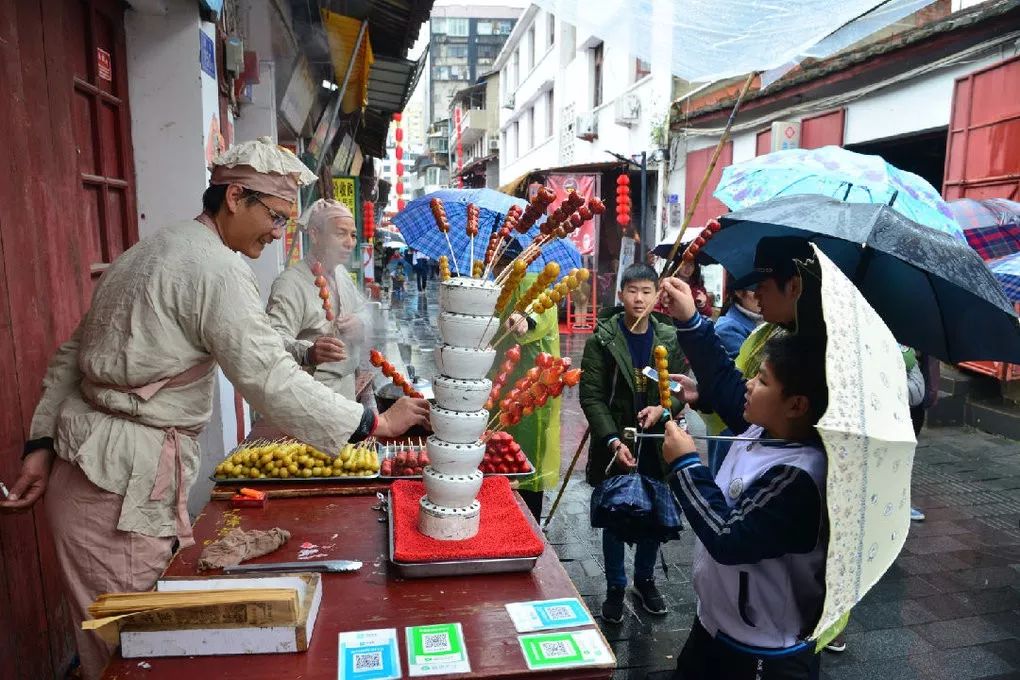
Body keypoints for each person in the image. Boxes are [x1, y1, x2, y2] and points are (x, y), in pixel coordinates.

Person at [0, 138, 429, 680]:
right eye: (273, 216)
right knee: (136, 653)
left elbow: (70, 357)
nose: (277, 232)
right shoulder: (216, 270)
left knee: (135, 641)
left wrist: (39, 448)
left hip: (90, 472)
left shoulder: (151, 248)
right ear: (233, 197)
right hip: (119, 489)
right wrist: (372, 422)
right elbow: (267, 376)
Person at [658, 275, 829, 680]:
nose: (750, 384)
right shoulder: (763, 427)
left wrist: (685, 464)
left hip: (763, 656)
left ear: (796, 404)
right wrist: (691, 322)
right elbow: (725, 381)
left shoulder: (799, 477)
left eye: (764, 380)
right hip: (714, 629)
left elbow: (728, 537)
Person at [579, 264, 689, 623]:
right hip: (618, 439)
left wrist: (663, 406)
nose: (639, 299)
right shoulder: (603, 339)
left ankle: (645, 579)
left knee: (653, 511)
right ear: (621, 294)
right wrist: (611, 440)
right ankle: (615, 585)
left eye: (646, 291)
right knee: (615, 513)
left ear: (657, 295)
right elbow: (592, 396)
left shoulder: (669, 338)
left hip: (658, 441)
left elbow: (677, 386)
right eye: (632, 291)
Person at [266, 199, 368, 401]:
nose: (350, 242)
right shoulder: (290, 283)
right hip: (310, 396)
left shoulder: (341, 274)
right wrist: (308, 353)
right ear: (314, 234)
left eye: (353, 235)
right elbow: (271, 341)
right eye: (340, 233)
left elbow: (363, 310)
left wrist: (360, 322)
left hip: (346, 391)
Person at [497, 251, 562, 522]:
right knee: (499, 454)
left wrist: (526, 320)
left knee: (527, 460)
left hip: (533, 387)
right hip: (500, 384)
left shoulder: (535, 281)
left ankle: (529, 523)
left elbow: (540, 307)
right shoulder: (499, 284)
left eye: (505, 262)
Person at [703, 275, 764, 473]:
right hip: (731, 422)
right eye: (756, 289)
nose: (761, 295)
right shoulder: (728, 328)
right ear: (739, 292)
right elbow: (738, 379)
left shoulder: (761, 324)